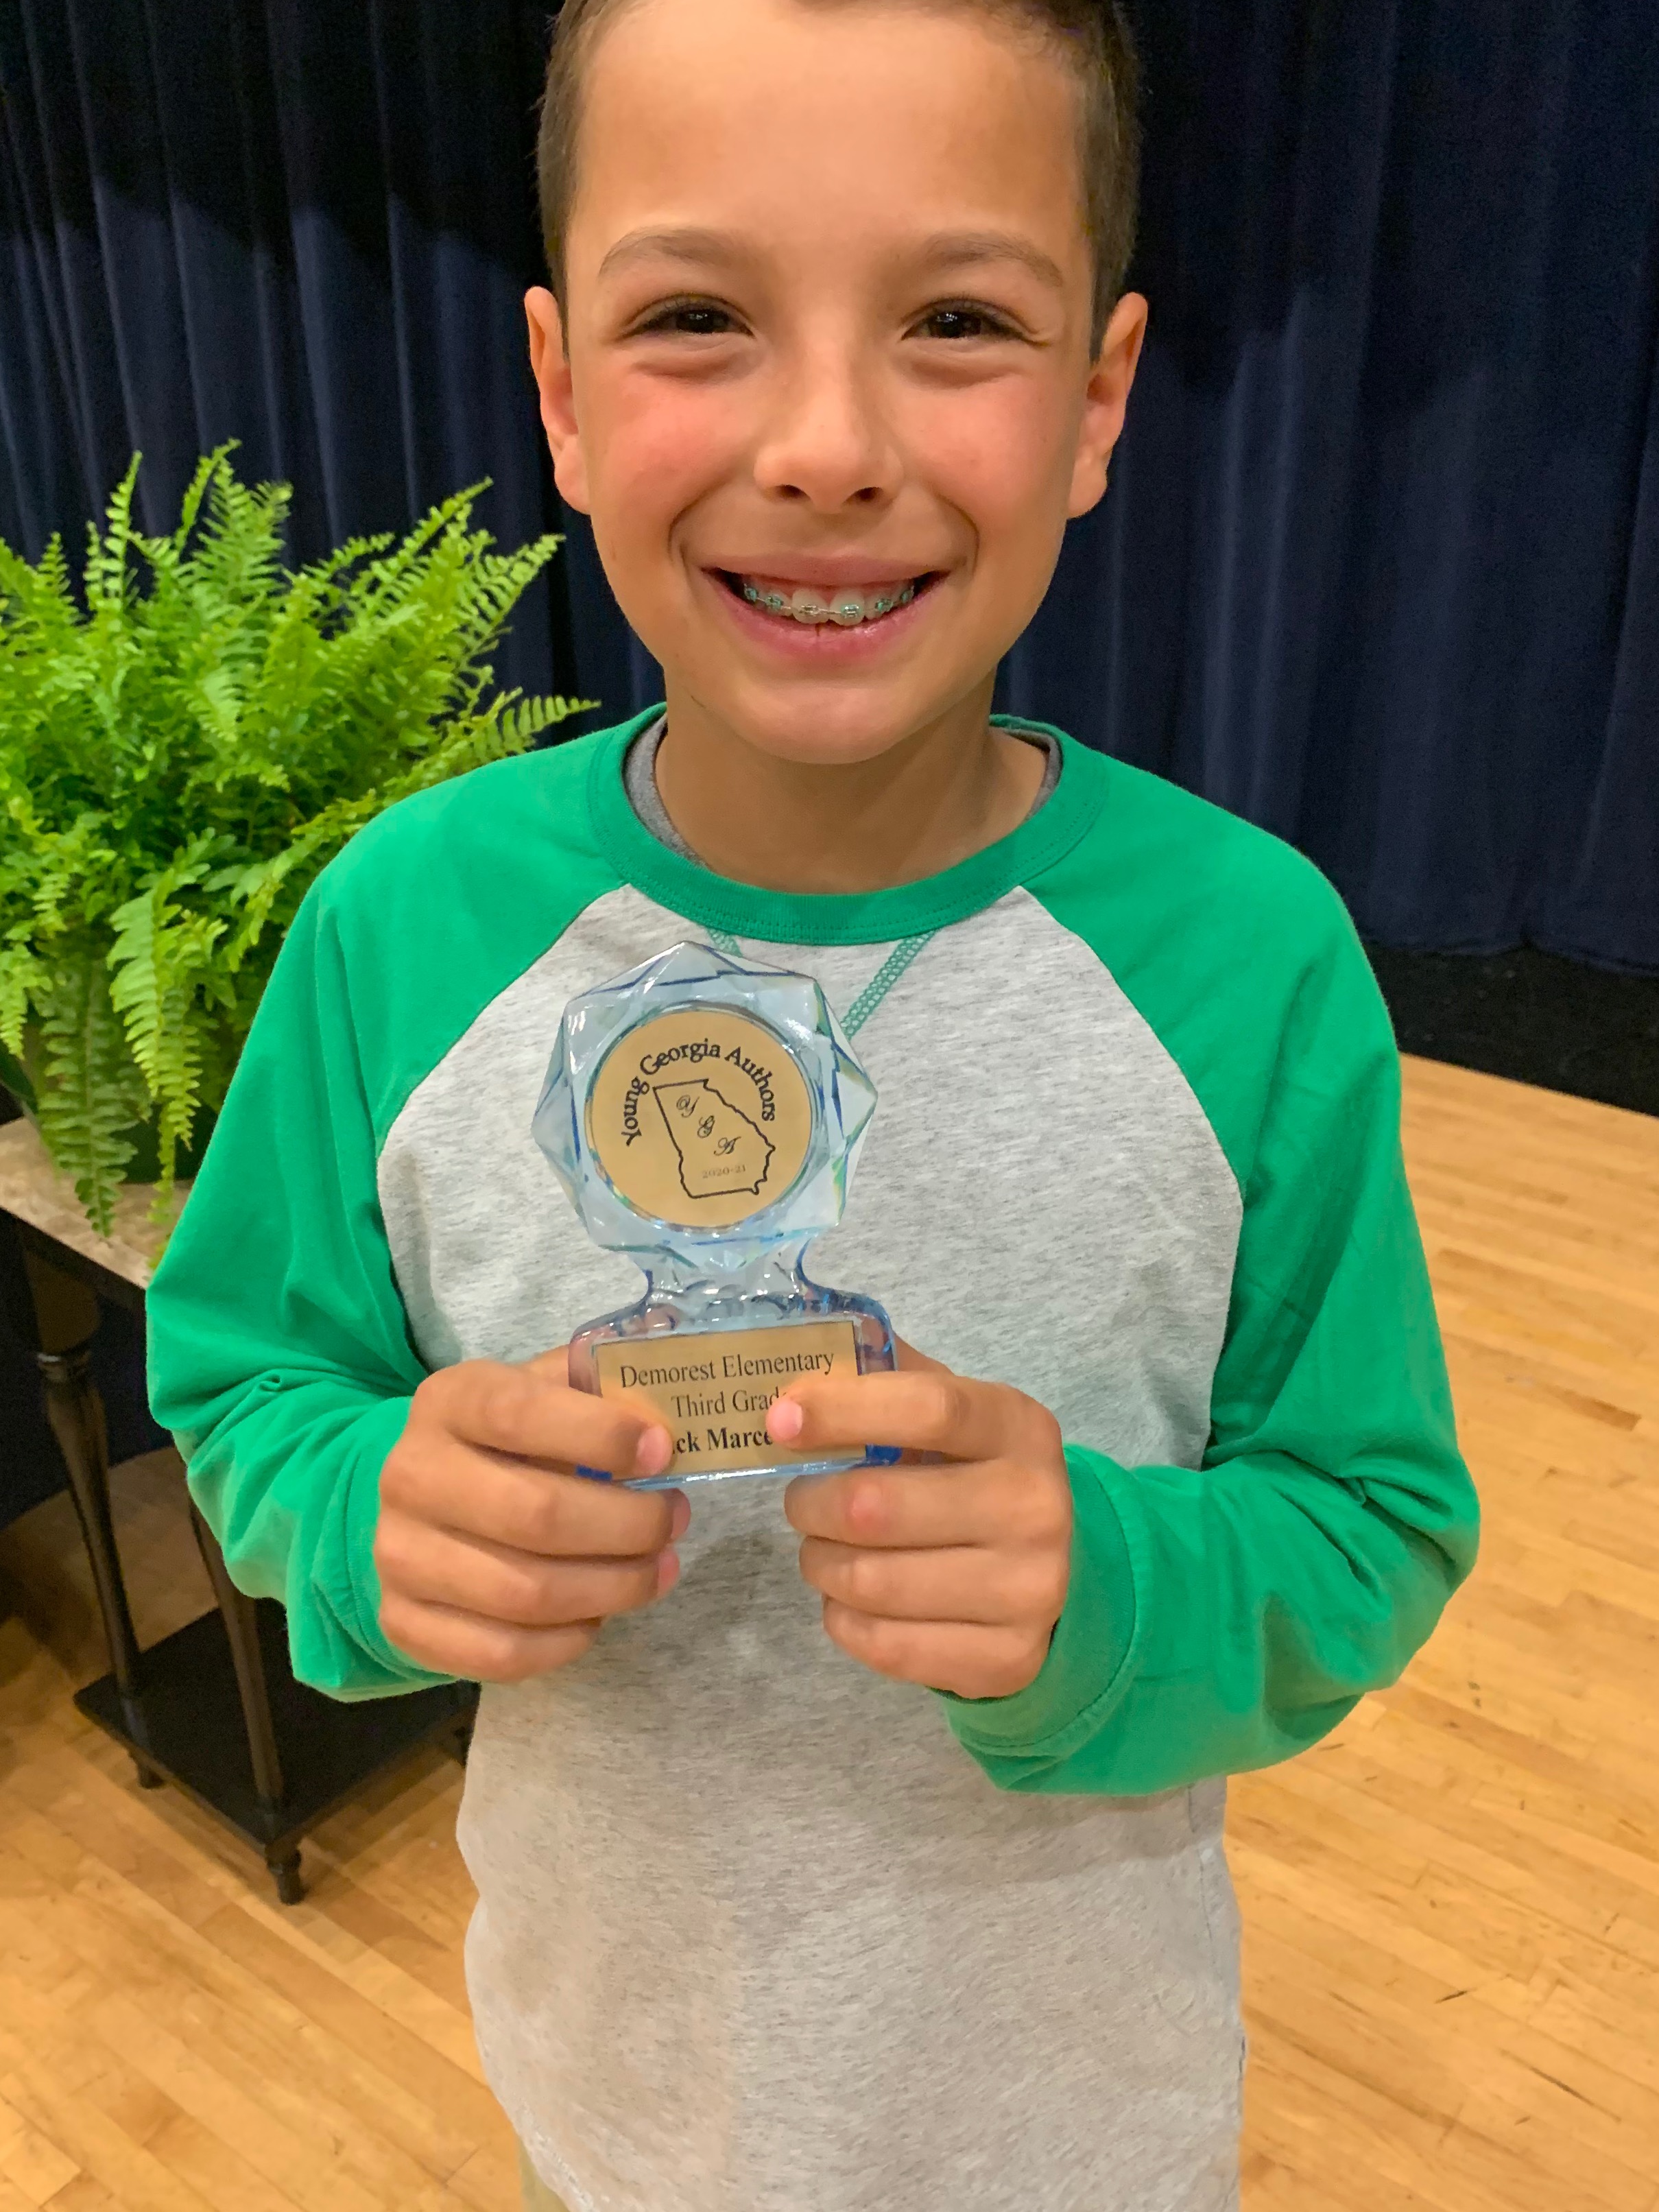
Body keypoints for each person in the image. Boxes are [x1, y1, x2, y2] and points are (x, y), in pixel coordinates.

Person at [146, 1, 1479, 2206]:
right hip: (614, 2107)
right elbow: (243, 1384)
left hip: (1080, 2132)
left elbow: (1368, 1519)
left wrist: (1112, 1581)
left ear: (1097, 400)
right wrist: (370, 1511)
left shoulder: (1252, 959)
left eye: (957, 319)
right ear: (562, 394)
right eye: (697, 317)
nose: (829, 446)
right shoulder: (399, 929)